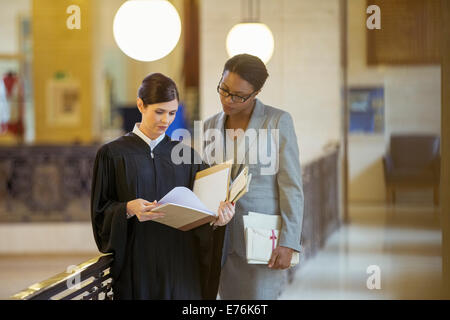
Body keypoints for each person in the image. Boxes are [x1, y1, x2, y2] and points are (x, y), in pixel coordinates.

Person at [91, 73, 235, 300]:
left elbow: (205, 213)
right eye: (159, 112)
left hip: (181, 268)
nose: (166, 120)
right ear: (141, 105)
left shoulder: (187, 157)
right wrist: (128, 208)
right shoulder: (112, 155)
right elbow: (100, 216)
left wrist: (219, 219)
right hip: (138, 270)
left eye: (172, 113)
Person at [203, 54, 304, 299]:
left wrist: (289, 241)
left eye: (238, 95)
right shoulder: (209, 126)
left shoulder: (278, 121)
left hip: (263, 241)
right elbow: (207, 180)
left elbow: (291, 186)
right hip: (221, 240)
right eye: (224, 89)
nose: (228, 99)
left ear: (256, 92)